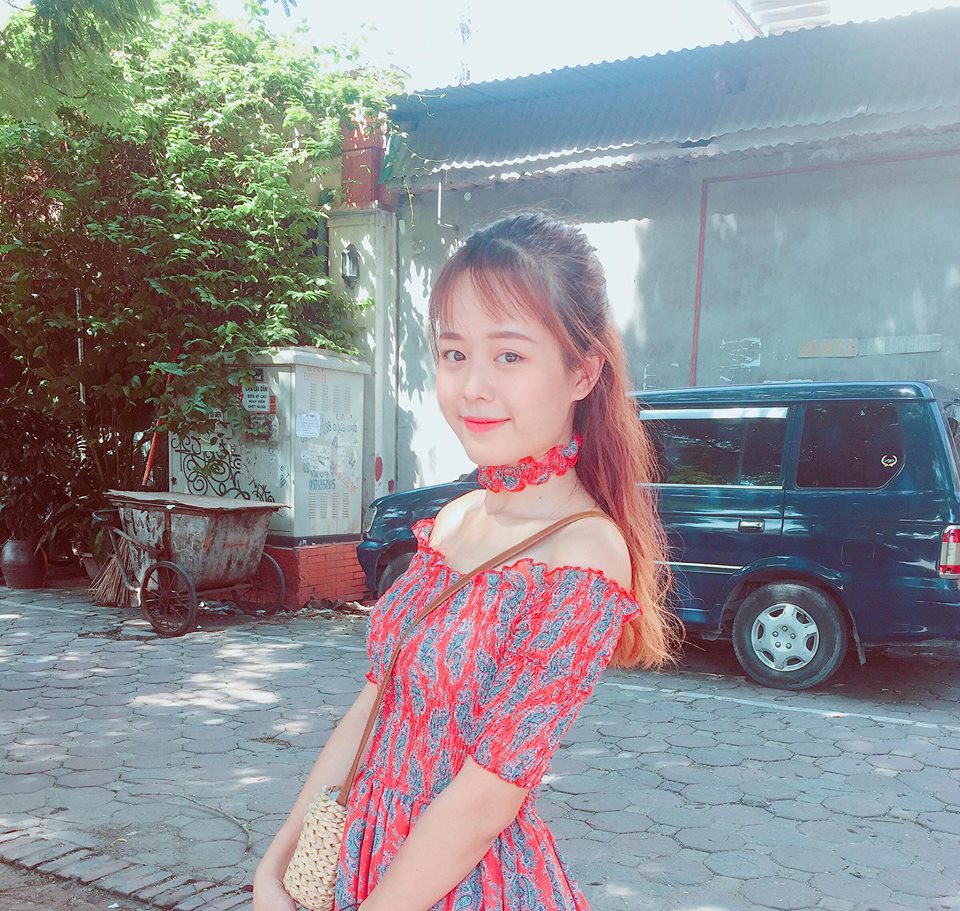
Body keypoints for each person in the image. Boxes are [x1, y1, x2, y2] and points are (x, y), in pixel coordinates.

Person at [253, 211, 684, 911]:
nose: (473, 385)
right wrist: (278, 861)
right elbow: (375, 703)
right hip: (361, 858)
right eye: (454, 354)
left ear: (582, 371)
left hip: (459, 885)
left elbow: (488, 795)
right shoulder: (455, 518)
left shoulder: (584, 554)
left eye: (509, 356)